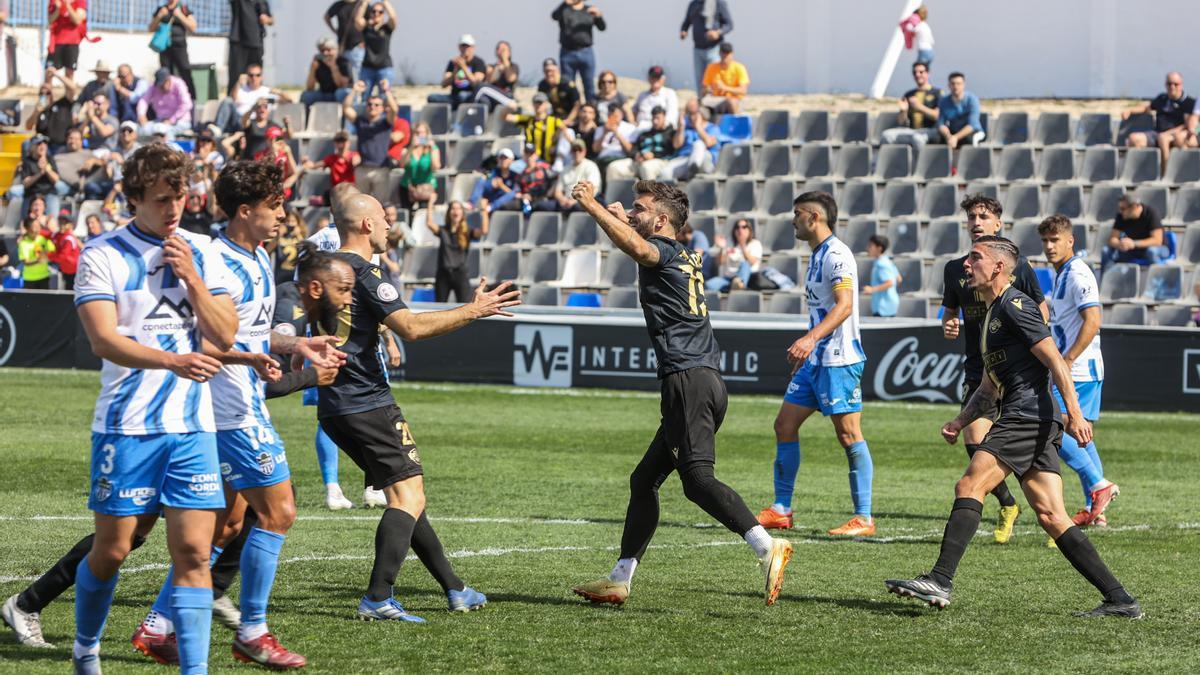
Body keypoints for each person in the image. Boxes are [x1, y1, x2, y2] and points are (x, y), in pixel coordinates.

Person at [131, 160, 343, 670]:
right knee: (279, 512)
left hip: (234, 404)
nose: (283, 215)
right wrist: (248, 359)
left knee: (226, 526)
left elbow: (250, 331)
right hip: (231, 410)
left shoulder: (258, 256)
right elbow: (204, 340)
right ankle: (252, 632)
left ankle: (157, 627)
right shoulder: (217, 261)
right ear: (245, 211)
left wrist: (297, 344)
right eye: (274, 206)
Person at [884, 236, 1142, 620]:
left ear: (999, 267)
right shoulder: (991, 314)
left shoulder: (1015, 305)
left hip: (1026, 415)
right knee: (1052, 515)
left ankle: (940, 580)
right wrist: (960, 421)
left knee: (970, 485)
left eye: (976, 257)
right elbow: (989, 386)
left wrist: (1074, 413)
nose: (967, 264)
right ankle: (1121, 600)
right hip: (1034, 417)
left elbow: (1055, 360)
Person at [568, 179, 793, 607]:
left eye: (639, 208)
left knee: (697, 480)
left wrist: (592, 205)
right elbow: (638, 244)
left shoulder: (662, 251)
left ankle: (767, 546)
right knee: (644, 480)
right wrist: (620, 219)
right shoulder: (684, 254)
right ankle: (619, 578)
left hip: (688, 381)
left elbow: (639, 249)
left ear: (661, 220)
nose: (632, 212)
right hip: (702, 380)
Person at [67, 143, 240, 675]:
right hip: (128, 426)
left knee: (194, 554)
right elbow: (103, 340)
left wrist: (191, 277)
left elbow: (225, 333)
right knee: (113, 550)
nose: (174, 208)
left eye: (180, 196)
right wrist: (173, 360)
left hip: (192, 429)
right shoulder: (102, 254)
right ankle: (86, 648)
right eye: (162, 199)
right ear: (134, 198)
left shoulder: (202, 250)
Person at [316, 184, 518, 621]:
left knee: (404, 496)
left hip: (334, 403)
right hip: (367, 401)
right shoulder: (364, 273)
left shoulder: (327, 269)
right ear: (366, 224)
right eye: (384, 218)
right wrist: (473, 310)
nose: (390, 225)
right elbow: (411, 327)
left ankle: (455, 588)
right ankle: (378, 597)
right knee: (409, 495)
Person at [757, 192, 876, 537]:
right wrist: (809, 348)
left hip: (839, 360)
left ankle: (864, 518)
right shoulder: (817, 254)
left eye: (797, 214)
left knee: (848, 434)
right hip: (816, 361)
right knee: (784, 425)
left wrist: (809, 340)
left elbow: (844, 306)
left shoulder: (837, 255)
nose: (793, 220)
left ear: (814, 217)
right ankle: (781, 509)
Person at [940, 194, 1047, 543]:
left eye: (983, 216)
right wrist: (949, 324)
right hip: (980, 369)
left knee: (1038, 449)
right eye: (972, 216)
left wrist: (1032, 348)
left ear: (998, 224)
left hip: (1016, 372)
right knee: (974, 439)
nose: (976, 222)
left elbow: (1041, 310)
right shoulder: (955, 269)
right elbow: (950, 311)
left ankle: (1054, 515)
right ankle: (1008, 503)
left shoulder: (1016, 265)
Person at [1038, 215, 1120, 528]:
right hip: (1081, 368)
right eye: (1045, 241)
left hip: (1079, 370)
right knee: (1080, 433)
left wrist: (1068, 359)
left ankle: (1098, 484)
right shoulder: (1061, 274)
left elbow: (1093, 320)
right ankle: (1095, 506)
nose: (1049, 246)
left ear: (1070, 241)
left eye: (1055, 240)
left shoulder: (1077, 273)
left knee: (1052, 426)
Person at [1124, 72, 1195, 176]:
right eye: (1169, 84)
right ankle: (1140, 175)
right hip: (1157, 133)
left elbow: (1187, 124)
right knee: (1134, 138)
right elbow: (1146, 108)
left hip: (1175, 135)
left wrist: (1168, 133)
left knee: (1163, 139)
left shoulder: (1189, 102)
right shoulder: (1162, 98)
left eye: (1176, 84)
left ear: (1181, 84)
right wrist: (1130, 110)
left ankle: (1165, 174)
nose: (1172, 87)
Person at [429, 201, 486, 302]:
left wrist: (484, 210)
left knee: (464, 305)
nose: (455, 211)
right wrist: (430, 203)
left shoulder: (467, 231)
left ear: (462, 213)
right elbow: (429, 224)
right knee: (440, 306)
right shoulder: (443, 230)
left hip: (460, 274)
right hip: (443, 274)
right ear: (448, 213)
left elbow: (484, 231)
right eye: (453, 208)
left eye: (458, 208)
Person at [551, 0, 605, 104]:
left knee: (589, 84)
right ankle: (571, 110)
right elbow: (554, 16)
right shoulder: (564, 9)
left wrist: (599, 16)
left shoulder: (589, 10)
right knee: (567, 84)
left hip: (586, 52)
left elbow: (602, 27)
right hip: (567, 52)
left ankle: (590, 108)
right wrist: (565, 3)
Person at [606, 104, 676, 182]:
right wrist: (637, 155)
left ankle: (650, 190)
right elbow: (633, 149)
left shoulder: (670, 133)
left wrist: (654, 155)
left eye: (658, 118)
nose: (655, 121)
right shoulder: (644, 135)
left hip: (660, 161)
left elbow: (670, 150)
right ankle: (615, 190)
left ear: (664, 118)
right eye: (653, 118)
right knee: (613, 167)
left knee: (646, 167)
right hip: (639, 161)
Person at [881, 61, 942, 149]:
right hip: (912, 130)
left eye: (921, 72)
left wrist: (919, 107)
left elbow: (937, 116)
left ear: (928, 73)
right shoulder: (909, 94)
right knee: (886, 135)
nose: (917, 75)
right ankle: (893, 157)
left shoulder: (937, 93)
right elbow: (901, 122)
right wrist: (903, 111)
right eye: (915, 72)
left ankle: (921, 158)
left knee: (917, 138)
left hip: (932, 130)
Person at [1103, 193, 1170, 270]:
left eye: (1123, 208)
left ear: (1134, 206)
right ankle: (1106, 276)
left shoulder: (1151, 213)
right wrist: (1120, 244)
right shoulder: (1121, 216)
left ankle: (1158, 276)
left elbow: (1157, 241)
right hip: (1132, 250)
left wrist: (1134, 243)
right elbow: (1112, 239)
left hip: (1158, 248)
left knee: (1151, 252)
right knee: (1106, 251)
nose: (1120, 211)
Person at [9, 135, 70, 217]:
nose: (42, 146)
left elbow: (56, 180)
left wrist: (47, 169)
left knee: (52, 220)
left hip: (49, 194)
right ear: (32, 147)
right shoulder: (27, 161)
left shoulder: (50, 159)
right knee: (28, 220)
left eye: (45, 144)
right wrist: (40, 173)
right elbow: (26, 183)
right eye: (39, 144)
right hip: (31, 194)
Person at [679, 0, 733, 92]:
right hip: (698, 49)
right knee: (700, 81)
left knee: (713, 80)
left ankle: (713, 100)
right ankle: (701, 99)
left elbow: (729, 25)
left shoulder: (718, 3)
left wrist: (718, 32)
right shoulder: (694, 4)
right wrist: (684, 31)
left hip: (714, 49)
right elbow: (687, 22)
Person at [662, 98, 720, 180]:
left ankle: (693, 168)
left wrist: (698, 127)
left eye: (694, 113)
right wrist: (681, 127)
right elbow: (676, 145)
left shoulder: (713, 128)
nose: (691, 117)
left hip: (705, 161)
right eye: (689, 113)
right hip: (685, 160)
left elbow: (709, 143)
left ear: (702, 112)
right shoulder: (686, 129)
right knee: (665, 172)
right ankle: (691, 172)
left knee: (698, 144)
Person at [150, 0, 198, 100]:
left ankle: (191, 98)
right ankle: (168, 99)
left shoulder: (183, 8)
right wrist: (159, 16)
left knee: (185, 71)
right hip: (165, 47)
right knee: (166, 74)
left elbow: (193, 27)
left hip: (179, 46)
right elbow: (151, 28)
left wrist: (179, 15)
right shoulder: (161, 9)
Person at [428, 34, 486, 110]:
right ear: (459, 47)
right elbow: (444, 84)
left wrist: (464, 67)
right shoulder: (453, 62)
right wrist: (455, 70)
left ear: (473, 47)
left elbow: (476, 83)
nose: (465, 48)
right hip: (454, 96)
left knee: (463, 96)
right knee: (432, 97)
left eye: (467, 46)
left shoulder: (478, 62)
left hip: (470, 95)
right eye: (463, 46)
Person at [228, 0, 273, 97]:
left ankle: (257, 101)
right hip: (239, 42)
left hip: (256, 42)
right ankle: (233, 103)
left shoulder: (261, 1)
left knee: (255, 77)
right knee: (236, 78)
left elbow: (271, 20)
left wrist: (267, 19)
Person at [26, 68, 77, 154]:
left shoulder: (62, 104)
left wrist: (56, 74)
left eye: (48, 93)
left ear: (52, 94)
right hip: (43, 146)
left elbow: (72, 88)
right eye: (42, 94)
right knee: (26, 145)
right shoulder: (39, 110)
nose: (45, 96)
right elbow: (28, 127)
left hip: (61, 145)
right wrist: (35, 113)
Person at [506, 92, 565, 166]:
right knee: (512, 167)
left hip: (547, 162)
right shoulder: (528, 119)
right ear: (533, 104)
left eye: (540, 103)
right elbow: (506, 117)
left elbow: (566, 131)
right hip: (528, 160)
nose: (538, 105)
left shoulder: (554, 121)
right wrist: (508, 108)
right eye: (536, 103)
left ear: (546, 104)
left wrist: (555, 145)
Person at [353, 0, 396, 100]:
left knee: (384, 97)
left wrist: (385, 2)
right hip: (367, 67)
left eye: (380, 12)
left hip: (384, 67)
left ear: (383, 14)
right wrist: (364, 3)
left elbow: (393, 18)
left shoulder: (386, 28)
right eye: (374, 11)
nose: (376, 14)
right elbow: (357, 20)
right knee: (365, 96)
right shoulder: (367, 28)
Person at [705, 217, 760, 292]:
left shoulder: (755, 243)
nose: (740, 230)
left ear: (749, 230)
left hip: (749, 278)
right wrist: (722, 248)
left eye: (744, 227)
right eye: (737, 227)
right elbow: (719, 262)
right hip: (728, 279)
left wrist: (742, 245)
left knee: (744, 264)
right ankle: (735, 286)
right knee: (709, 285)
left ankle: (739, 284)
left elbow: (752, 261)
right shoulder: (729, 243)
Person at [397, 120, 440, 213]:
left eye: (422, 133)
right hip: (408, 187)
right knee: (407, 214)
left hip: (426, 188)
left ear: (427, 134)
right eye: (417, 133)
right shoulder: (407, 149)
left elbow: (436, 167)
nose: (420, 135)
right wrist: (411, 147)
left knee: (424, 213)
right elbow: (402, 164)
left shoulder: (433, 149)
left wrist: (432, 148)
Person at [137, 68, 193, 138]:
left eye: (163, 84)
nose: (160, 87)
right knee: (142, 130)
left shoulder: (179, 84)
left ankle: (169, 145)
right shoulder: (154, 86)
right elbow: (144, 100)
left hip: (180, 121)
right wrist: (141, 114)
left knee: (165, 132)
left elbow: (187, 104)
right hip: (160, 120)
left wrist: (171, 120)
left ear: (168, 80)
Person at [699, 42, 749, 115]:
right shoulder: (711, 68)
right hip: (716, 99)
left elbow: (743, 90)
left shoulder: (739, 67)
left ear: (732, 54)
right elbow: (703, 90)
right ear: (719, 53)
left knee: (731, 102)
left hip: (735, 99)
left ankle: (734, 120)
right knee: (697, 105)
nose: (725, 56)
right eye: (723, 53)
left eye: (727, 53)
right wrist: (708, 89)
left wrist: (725, 88)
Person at [550, 139, 600, 211]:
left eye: (579, 150)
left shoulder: (591, 166)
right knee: (541, 206)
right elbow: (558, 192)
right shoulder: (565, 169)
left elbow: (592, 189)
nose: (577, 152)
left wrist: (574, 201)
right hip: (565, 201)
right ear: (571, 152)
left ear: (584, 151)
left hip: (584, 201)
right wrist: (563, 200)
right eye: (574, 150)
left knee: (577, 207)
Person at [301, 37, 353, 106]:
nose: (325, 53)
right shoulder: (319, 63)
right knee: (307, 96)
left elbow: (342, 85)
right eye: (322, 50)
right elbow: (310, 88)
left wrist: (333, 67)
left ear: (336, 50)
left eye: (328, 50)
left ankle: (344, 113)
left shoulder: (344, 62)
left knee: (340, 93)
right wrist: (312, 70)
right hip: (325, 94)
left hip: (340, 94)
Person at [937, 72, 982, 148]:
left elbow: (972, 125)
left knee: (969, 140)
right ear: (949, 86)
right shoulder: (944, 101)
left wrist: (955, 137)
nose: (955, 86)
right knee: (938, 139)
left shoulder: (972, 100)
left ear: (963, 85)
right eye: (953, 84)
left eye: (958, 84)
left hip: (973, 132)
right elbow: (940, 124)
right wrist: (948, 136)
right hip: (953, 131)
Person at [592, 105, 636, 183]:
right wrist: (604, 133)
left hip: (620, 157)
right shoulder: (600, 129)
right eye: (610, 116)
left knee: (611, 167)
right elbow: (595, 149)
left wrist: (616, 132)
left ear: (622, 115)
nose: (613, 119)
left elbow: (629, 149)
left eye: (616, 116)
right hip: (602, 159)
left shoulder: (630, 128)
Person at [325, 0, 366, 83]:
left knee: (359, 72)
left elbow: (369, 21)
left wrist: (366, 40)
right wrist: (334, 30)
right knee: (345, 72)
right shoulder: (338, 5)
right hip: (343, 46)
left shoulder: (361, 4)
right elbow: (327, 17)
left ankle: (359, 90)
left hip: (358, 45)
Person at [48, 0, 87, 82]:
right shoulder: (55, 1)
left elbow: (77, 21)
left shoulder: (80, 1)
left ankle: (68, 90)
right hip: (56, 42)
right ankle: (47, 90)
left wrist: (67, 5)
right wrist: (58, 9)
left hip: (72, 42)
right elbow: (50, 20)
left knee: (69, 73)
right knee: (49, 72)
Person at [468, 147, 518, 212]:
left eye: (505, 158)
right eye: (501, 158)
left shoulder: (515, 175)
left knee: (512, 194)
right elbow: (486, 187)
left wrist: (501, 186)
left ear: (511, 160)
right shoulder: (493, 172)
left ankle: (491, 207)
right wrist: (491, 184)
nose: (503, 161)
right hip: (493, 197)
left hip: (503, 200)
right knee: (481, 181)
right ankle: (471, 203)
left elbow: (513, 193)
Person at [474, 40, 520, 111]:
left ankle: (510, 104)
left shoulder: (513, 66)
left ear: (509, 52)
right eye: (499, 49)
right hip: (493, 97)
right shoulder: (491, 67)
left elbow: (511, 78)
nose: (501, 51)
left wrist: (505, 61)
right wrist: (497, 69)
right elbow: (489, 82)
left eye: (503, 50)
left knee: (481, 87)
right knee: (483, 100)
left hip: (507, 96)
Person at [863, 234, 901, 317]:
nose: (867, 248)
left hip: (883, 307)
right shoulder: (888, 261)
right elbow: (899, 279)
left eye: (870, 246)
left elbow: (890, 283)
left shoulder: (881, 264)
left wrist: (872, 289)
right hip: (890, 305)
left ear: (879, 248)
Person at [634, 66, 679, 130]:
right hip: (640, 128)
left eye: (658, 78)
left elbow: (671, 116)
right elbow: (634, 111)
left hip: (660, 130)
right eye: (653, 77)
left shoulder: (669, 93)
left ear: (663, 79)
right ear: (649, 78)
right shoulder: (642, 95)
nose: (655, 80)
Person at [514, 142, 555, 213]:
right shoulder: (520, 174)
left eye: (531, 154)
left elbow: (556, 181)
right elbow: (516, 191)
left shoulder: (545, 168)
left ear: (536, 155)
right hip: (528, 201)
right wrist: (523, 196)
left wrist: (548, 194)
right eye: (527, 154)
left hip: (544, 199)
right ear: (524, 155)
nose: (529, 157)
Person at [537, 58, 581, 124]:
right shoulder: (542, 85)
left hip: (571, 117)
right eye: (546, 71)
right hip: (555, 117)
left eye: (551, 71)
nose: (549, 74)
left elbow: (577, 104)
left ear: (558, 70)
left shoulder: (567, 83)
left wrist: (569, 120)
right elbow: (541, 103)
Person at [17, 216, 56, 289]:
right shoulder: (23, 243)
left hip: (44, 277)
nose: (38, 229)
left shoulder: (44, 239)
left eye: (39, 226)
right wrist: (38, 260)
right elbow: (26, 262)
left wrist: (46, 254)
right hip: (29, 279)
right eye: (35, 226)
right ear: (27, 229)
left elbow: (53, 251)